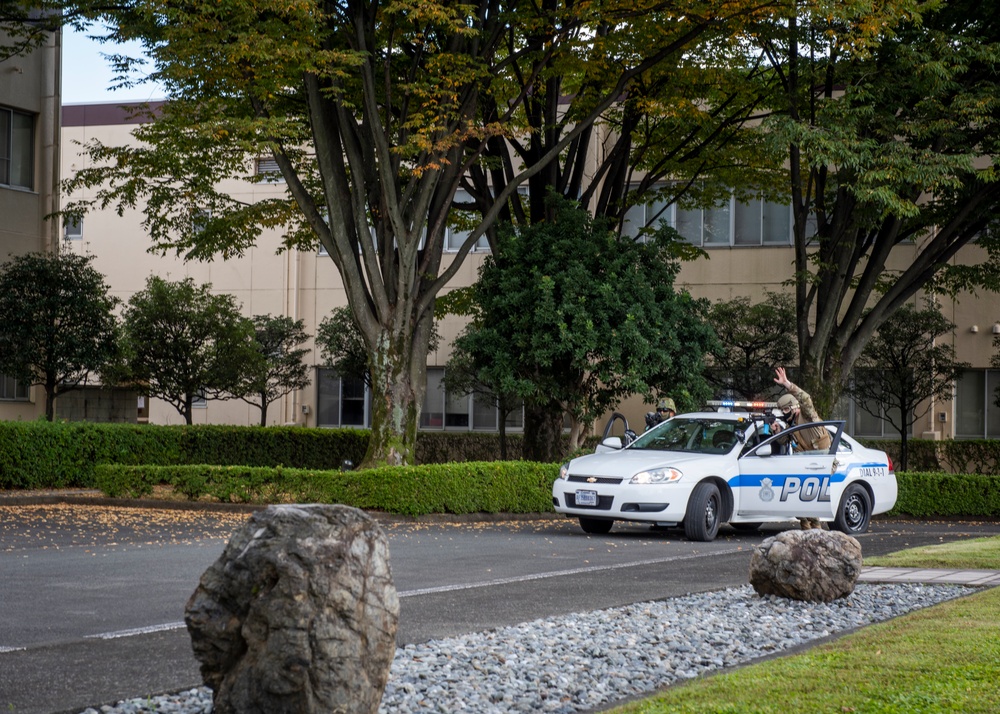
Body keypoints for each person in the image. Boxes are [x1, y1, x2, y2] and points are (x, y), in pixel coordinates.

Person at [772, 367, 832, 530]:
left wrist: (787, 384)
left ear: (794, 407)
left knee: (810, 498)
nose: (784, 413)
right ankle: (807, 525)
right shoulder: (792, 425)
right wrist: (777, 430)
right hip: (805, 464)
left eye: (786, 409)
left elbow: (806, 398)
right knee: (800, 499)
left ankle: (816, 526)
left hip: (819, 462)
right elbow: (785, 440)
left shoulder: (808, 416)